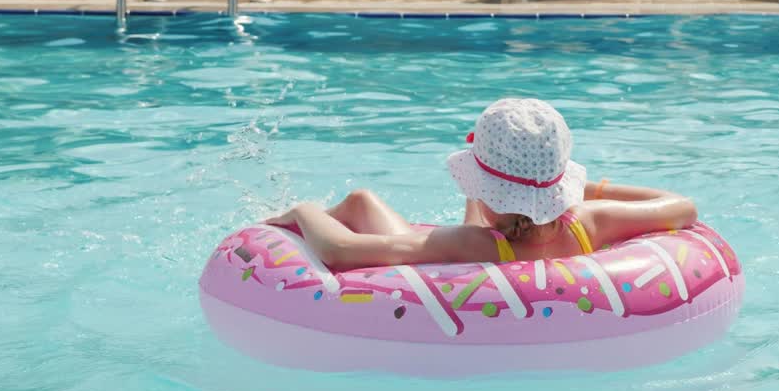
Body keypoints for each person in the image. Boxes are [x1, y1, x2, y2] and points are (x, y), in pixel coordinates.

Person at [264, 99, 697, 272]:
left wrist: (304, 212)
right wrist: (589, 190)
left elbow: (340, 253)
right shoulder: (592, 221)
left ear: (491, 193)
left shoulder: (467, 244)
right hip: (518, 236)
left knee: (360, 202)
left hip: (471, 261)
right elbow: (681, 207)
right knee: (363, 202)